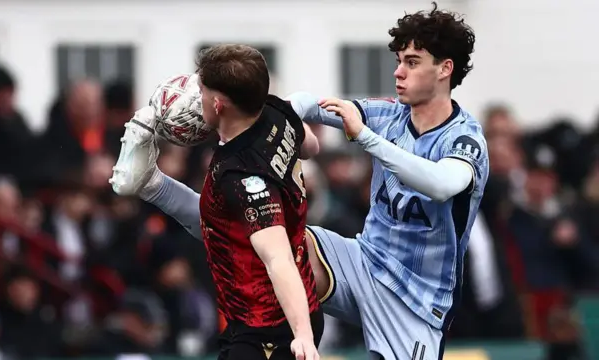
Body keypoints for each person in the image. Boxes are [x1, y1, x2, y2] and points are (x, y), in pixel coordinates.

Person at [113, 3, 489, 360]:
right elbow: (311, 105)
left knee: (266, 237)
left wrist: (367, 140)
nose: (398, 73)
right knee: (256, 233)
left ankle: (298, 337)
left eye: (411, 63)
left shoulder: (465, 139)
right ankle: (152, 184)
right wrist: (269, 116)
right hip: (363, 261)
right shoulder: (389, 113)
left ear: (445, 69)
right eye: (398, 62)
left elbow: (441, 184)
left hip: (415, 303)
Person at [111, 44, 323, 360]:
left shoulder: (243, 177)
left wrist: (302, 336)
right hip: (266, 319)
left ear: (218, 103)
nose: (195, 97)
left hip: (269, 330)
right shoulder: (276, 110)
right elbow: (312, 147)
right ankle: (151, 184)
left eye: (200, 90)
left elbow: (277, 258)